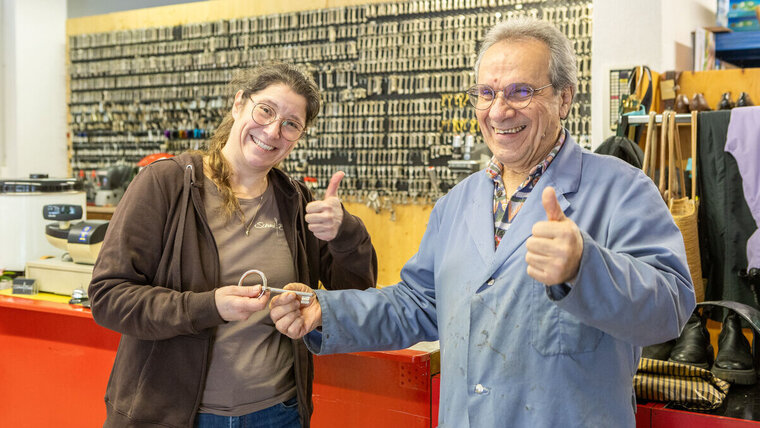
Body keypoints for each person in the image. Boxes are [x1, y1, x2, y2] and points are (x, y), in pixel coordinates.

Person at [270, 19, 695, 427]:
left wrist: (585, 267)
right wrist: (327, 311)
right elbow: (419, 304)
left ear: (565, 99)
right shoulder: (457, 204)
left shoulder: (622, 189)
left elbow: (671, 308)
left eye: (521, 91)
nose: (499, 110)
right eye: (487, 93)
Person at [89, 62, 377, 428]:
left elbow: (355, 297)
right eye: (265, 110)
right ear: (239, 103)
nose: (273, 131)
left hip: (277, 413)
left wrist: (345, 232)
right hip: (171, 416)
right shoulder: (166, 185)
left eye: (291, 124)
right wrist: (208, 307)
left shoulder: (295, 201)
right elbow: (109, 297)